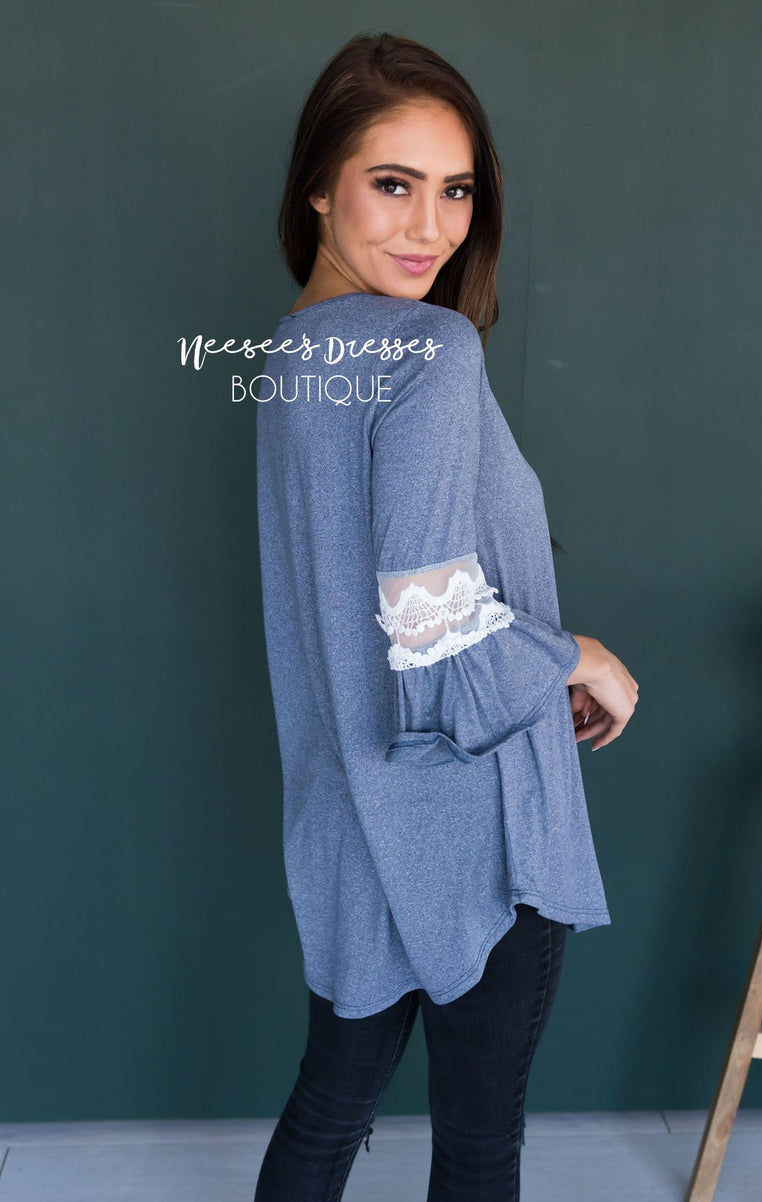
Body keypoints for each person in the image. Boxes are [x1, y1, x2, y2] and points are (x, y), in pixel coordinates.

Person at [252, 31, 638, 1202]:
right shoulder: (426, 348)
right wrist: (576, 655)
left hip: (347, 807)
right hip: (474, 817)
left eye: (455, 189)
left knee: (328, 1106)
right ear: (318, 187)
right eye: (392, 183)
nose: (430, 226)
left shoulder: (291, 355)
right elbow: (429, 628)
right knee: (476, 1144)